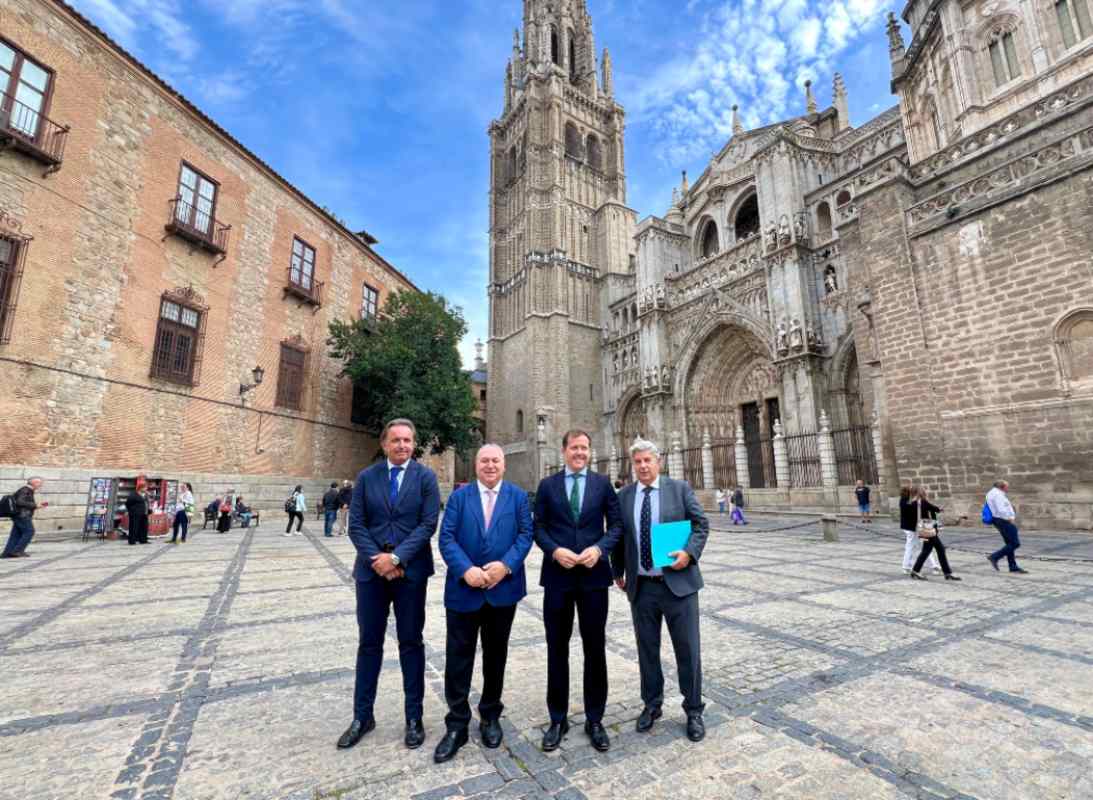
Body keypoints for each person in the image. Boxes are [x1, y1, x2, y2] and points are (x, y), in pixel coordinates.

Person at [337, 419, 441, 752]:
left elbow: (428, 525)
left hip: (410, 574)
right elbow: (357, 525)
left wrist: (396, 559)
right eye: (395, 440)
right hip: (371, 575)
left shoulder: (425, 478)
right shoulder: (367, 478)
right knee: (369, 644)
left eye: (407, 440)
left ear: (414, 444)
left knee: (411, 642)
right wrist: (378, 560)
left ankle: (414, 718)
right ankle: (362, 716)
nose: (402, 445)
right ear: (384, 444)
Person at [433, 444, 533, 763]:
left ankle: (490, 715)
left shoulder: (517, 497)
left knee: (495, 656)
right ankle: (457, 724)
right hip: (465, 591)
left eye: (495, 461)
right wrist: (467, 570)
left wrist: (505, 566)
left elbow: (525, 535)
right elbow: (446, 538)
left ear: (504, 466)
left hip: (503, 591)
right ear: (476, 465)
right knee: (458, 658)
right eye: (484, 461)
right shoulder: (460, 497)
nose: (490, 466)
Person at [611, 439, 709, 742]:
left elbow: (700, 524)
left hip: (678, 586)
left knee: (688, 650)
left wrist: (688, 554)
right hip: (642, 587)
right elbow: (618, 536)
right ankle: (652, 705)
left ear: (658, 462)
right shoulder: (624, 496)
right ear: (632, 465)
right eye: (637, 461)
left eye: (647, 461)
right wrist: (617, 571)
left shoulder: (679, 489)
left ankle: (693, 709)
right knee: (647, 651)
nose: (642, 466)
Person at [533, 429, 623, 754]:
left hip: (593, 578)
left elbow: (615, 526)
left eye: (584, 448)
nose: (580, 453)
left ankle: (595, 718)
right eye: (575, 448)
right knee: (557, 649)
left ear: (590, 451)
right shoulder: (548, 486)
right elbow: (538, 527)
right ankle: (557, 718)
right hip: (557, 578)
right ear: (564, 451)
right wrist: (554, 551)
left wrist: (600, 549)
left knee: (594, 649)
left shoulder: (602, 484)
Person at [909, 487, 961, 581]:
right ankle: (916, 571)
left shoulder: (912, 503)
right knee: (929, 551)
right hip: (929, 531)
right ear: (921, 493)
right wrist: (939, 509)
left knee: (937, 549)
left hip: (922, 530)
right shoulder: (923, 502)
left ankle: (947, 573)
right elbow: (935, 509)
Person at [987, 480, 1027, 574]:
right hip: (1003, 520)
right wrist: (1008, 518)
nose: (1008, 488)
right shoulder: (997, 495)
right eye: (1007, 486)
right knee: (1015, 543)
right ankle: (994, 557)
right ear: (1002, 486)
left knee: (1009, 543)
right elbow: (1001, 509)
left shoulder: (993, 493)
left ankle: (1012, 566)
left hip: (999, 520)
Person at [2, 477, 46, 558]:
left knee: (15, 534)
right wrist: (35, 505)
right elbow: (19, 502)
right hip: (22, 516)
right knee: (29, 531)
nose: (41, 485)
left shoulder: (26, 490)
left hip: (19, 515)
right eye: (40, 483)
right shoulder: (25, 490)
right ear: (34, 483)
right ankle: (17, 551)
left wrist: (36, 506)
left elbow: (22, 503)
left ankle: (7, 553)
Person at [899, 486, 939, 574]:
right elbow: (930, 508)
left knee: (912, 546)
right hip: (916, 528)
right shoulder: (915, 502)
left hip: (909, 528)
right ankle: (933, 566)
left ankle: (906, 566)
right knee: (923, 546)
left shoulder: (903, 501)